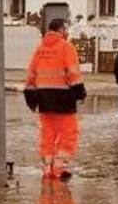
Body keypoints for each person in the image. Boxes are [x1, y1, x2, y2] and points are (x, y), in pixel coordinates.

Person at [24, 18, 86, 179]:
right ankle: (59, 168)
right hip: (63, 97)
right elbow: (73, 73)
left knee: (47, 134)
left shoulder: (39, 50)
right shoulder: (67, 47)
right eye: (65, 29)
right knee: (68, 132)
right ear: (61, 30)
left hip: (43, 98)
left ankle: (47, 168)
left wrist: (30, 96)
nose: (66, 32)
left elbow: (31, 75)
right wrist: (80, 93)